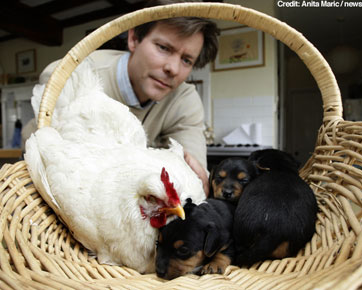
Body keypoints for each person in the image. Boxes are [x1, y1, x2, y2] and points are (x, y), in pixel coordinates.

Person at [23, 0, 219, 196]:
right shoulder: (70, 77)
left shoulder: (184, 99)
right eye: (163, 48)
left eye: (186, 60)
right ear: (133, 39)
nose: (173, 69)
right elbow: (65, 175)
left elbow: (194, 182)